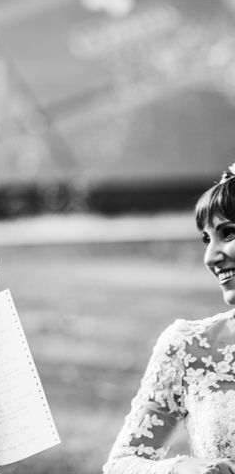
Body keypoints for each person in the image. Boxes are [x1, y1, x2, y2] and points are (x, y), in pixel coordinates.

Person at [103, 166, 235, 474]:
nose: (211, 256)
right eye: (206, 239)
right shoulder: (188, 347)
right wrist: (183, 470)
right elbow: (121, 465)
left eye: (228, 233)